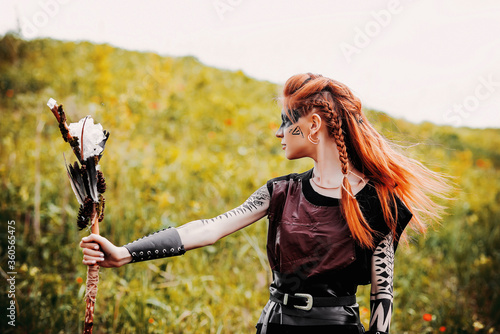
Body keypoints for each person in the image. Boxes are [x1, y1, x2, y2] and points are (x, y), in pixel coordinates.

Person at [80, 73, 449, 333]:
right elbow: (208, 228)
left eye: (285, 121)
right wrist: (126, 253)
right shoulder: (279, 191)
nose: (278, 132)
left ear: (314, 126)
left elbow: (383, 295)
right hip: (276, 325)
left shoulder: (379, 202)